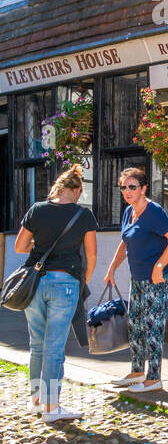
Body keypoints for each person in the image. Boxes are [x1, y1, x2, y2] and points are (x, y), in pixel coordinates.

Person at [13, 165, 98, 422]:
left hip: (36, 282)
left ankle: (37, 400)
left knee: (37, 344)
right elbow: (91, 255)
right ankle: (52, 407)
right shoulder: (83, 216)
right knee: (54, 348)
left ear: (58, 187)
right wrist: (83, 280)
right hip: (66, 282)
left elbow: (20, 246)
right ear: (76, 190)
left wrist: (41, 244)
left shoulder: (37, 210)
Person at [102, 168, 168, 394]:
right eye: (124, 187)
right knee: (135, 323)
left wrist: (159, 266)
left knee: (152, 325)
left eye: (132, 187)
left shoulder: (153, 211)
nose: (127, 191)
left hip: (158, 278)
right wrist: (112, 268)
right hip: (138, 277)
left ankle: (154, 378)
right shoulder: (129, 212)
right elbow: (125, 241)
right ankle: (137, 372)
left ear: (143, 188)